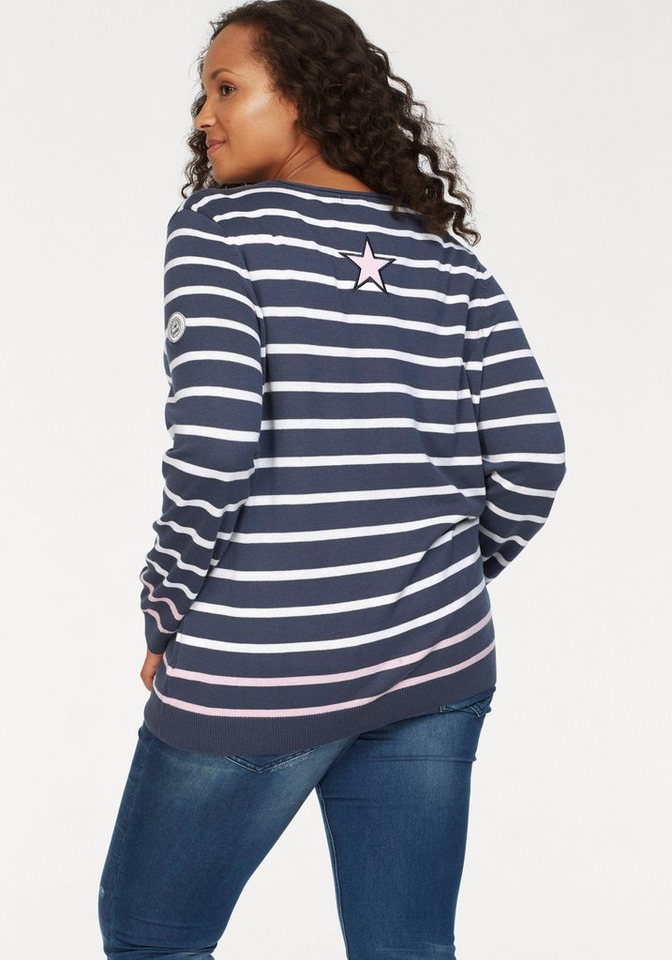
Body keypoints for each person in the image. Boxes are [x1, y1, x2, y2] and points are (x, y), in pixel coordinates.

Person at [98, 1, 567, 957]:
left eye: (227, 87)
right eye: (203, 96)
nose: (204, 116)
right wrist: (435, 574)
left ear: (304, 96)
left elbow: (214, 444)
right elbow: (532, 455)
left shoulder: (217, 232)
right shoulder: (446, 259)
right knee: (406, 948)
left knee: (151, 940)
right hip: (437, 656)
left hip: (261, 659)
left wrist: (165, 604)